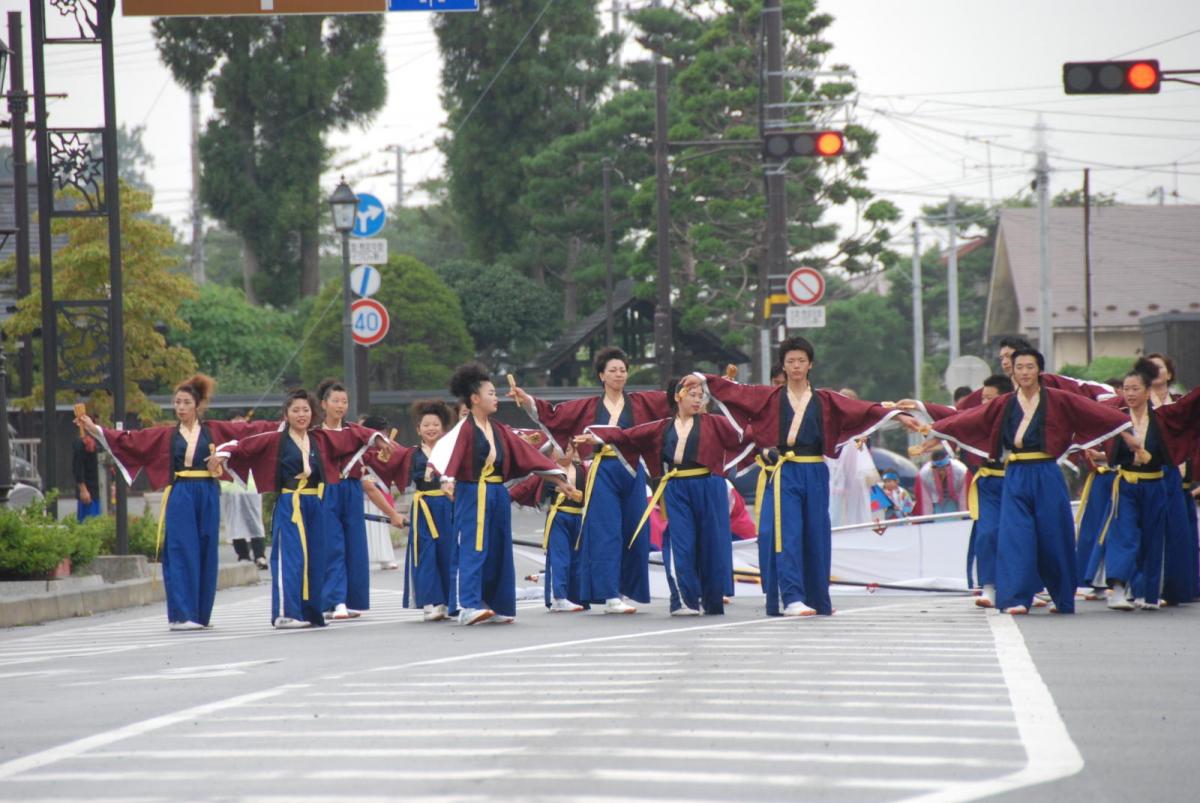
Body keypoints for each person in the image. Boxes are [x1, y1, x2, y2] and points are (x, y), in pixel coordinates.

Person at [694, 337, 919, 616]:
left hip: (815, 470)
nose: (796, 366)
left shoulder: (825, 399)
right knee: (788, 534)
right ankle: (792, 598)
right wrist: (701, 379)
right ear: (783, 366)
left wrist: (897, 415)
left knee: (817, 533)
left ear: (810, 364)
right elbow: (737, 392)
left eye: (801, 360)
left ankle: (818, 598)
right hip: (786, 471)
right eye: (790, 361)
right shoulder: (770, 397)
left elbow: (861, 409)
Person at [920, 349, 1135, 615]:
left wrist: (1126, 432)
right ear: (1013, 372)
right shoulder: (1005, 403)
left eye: (1029, 367)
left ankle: (1062, 597)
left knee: (1053, 535)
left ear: (1039, 371)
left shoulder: (1059, 399)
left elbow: (1094, 412)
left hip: (1046, 472)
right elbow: (970, 419)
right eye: (1019, 367)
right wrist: (938, 433)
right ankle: (1017, 598)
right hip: (1016, 473)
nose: (1024, 372)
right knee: (1015, 536)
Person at [77, 374, 276, 631]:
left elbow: (249, 432)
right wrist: (95, 429)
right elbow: (130, 440)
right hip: (181, 492)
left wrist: (286, 424)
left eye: (186, 402)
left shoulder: (214, 430)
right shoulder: (167, 435)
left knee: (206, 550)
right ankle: (182, 614)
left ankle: (200, 614)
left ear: (197, 405)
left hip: (208, 492)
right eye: (177, 402)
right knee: (181, 549)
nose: (180, 407)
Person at [508, 346, 670, 614]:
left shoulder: (641, 402)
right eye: (613, 370)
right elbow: (555, 415)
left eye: (623, 370)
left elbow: (674, 400)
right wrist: (527, 401)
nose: (619, 374)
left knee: (636, 530)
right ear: (601, 376)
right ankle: (610, 596)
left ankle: (625, 589)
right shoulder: (589, 406)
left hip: (632, 470)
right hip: (603, 470)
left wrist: (701, 386)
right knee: (607, 532)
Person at [211, 389, 389, 629]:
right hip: (291, 502)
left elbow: (351, 436)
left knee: (316, 558)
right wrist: (222, 455)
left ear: (312, 413)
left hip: (315, 503)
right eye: (295, 410)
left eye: (305, 410)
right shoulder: (276, 439)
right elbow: (243, 445)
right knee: (291, 558)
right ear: (286, 414)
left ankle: (309, 612)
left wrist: (377, 439)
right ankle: (285, 613)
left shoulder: (320, 438)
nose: (301, 414)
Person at [581, 375, 745, 615]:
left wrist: (727, 392)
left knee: (713, 543)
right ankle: (683, 600)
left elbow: (743, 432)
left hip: (710, 486)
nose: (697, 401)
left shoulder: (715, 423)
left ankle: (712, 599)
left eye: (701, 396)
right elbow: (628, 435)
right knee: (681, 542)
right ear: (678, 397)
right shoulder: (662, 427)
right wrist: (598, 437)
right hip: (677, 487)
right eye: (692, 395)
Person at [432, 363, 569, 626]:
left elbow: (527, 456)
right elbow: (450, 456)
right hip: (473, 492)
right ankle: (467, 605)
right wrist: (447, 480)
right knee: (473, 547)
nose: (496, 398)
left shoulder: (499, 429)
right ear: (475, 398)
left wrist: (559, 480)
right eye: (491, 393)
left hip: (496, 493)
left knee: (498, 548)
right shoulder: (464, 429)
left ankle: (495, 604)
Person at [510, 442, 588, 612]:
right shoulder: (549, 471)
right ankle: (559, 597)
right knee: (560, 558)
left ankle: (577, 597)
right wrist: (504, 497)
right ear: (553, 453)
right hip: (558, 517)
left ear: (574, 451)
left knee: (578, 559)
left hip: (578, 517)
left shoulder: (582, 469)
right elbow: (525, 487)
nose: (564, 452)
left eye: (568, 449)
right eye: (559, 449)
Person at [405, 400, 459, 622]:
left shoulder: (452, 452)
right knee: (426, 553)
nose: (431, 429)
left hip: (447, 505)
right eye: (426, 425)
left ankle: (448, 601)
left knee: (448, 552)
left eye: (435, 424)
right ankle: (431, 601)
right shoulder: (412, 454)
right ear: (418, 429)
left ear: (444, 428)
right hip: (423, 508)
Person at [955, 335, 1114, 410]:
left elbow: (1090, 389)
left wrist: (1110, 399)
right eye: (1001, 358)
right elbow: (962, 411)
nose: (1004, 362)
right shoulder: (999, 387)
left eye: (1009, 356)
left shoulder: (1049, 382)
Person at [220, 411, 268, 570]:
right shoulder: (223, 444)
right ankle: (243, 556)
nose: (238, 423)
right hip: (230, 489)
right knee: (234, 523)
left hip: (250, 487)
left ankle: (260, 555)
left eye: (241, 420)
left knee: (254, 521)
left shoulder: (253, 441)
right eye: (234, 420)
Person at [358, 415, 406, 571]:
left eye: (384, 431)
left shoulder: (390, 446)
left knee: (381, 527)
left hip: (379, 492)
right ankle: (364, 557)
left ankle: (386, 557)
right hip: (363, 491)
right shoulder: (361, 447)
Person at [914, 447, 970, 515]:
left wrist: (965, 515)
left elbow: (965, 495)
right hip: (936, 503)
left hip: (956, 501)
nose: (940, 471)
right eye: (937, 468)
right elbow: (924, 500)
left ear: (948, 465)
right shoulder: (924, 473)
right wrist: (926, 517)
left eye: (943, 468)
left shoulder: (961, 470)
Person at [72, 411, 101, 523]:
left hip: (98, 489)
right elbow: (77, 468)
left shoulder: (97, 441)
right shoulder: (81, 443)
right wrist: (83, 490)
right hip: (88, 491)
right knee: (88, 522)